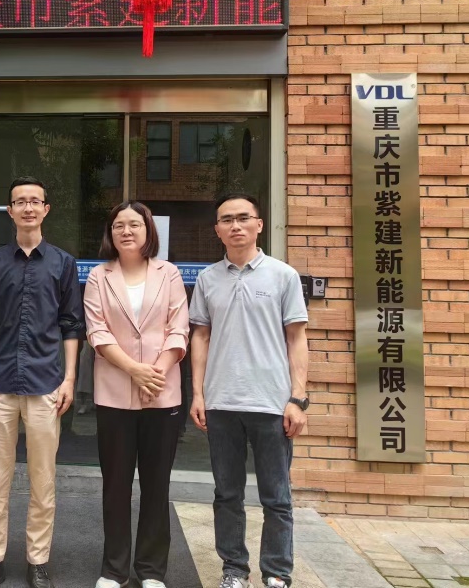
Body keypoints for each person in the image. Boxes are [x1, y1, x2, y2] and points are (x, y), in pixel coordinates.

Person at [189, 193, 309, 588]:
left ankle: (277, 573)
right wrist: (198, 394)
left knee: (277, 497)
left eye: (243, 218)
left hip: (271, 403)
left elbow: (297, 339)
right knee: (227, 494)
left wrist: (297, 398)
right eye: (227, 220)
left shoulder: (283, 275)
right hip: (221, 402)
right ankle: (234, 569)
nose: (235, 225)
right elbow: (200, 337)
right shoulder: (207, 279)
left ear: (259, 224)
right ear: (217, 230)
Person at [0, 176, 86, 588]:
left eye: (35, 201)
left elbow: (72, 324)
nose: (28, 208)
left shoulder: (63, 263)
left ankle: (38, 561)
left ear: (46, 209)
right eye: (20, 201)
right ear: (10, 211)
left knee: (43, 481)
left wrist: (69, 379)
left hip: (46, 384)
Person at [83, 201, 189, 588]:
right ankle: (114, 570)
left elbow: (179, 329)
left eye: (134, 225)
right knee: (115, 486)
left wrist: (155, 372)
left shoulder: (169, 273)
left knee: (156, 485)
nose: (126, 231)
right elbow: (97, 331)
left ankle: (151, 571)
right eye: (118, 226)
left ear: (148, 231)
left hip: (162, 392)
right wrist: (134, 370)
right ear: (110, 234)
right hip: (114, 395)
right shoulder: (99, 276)